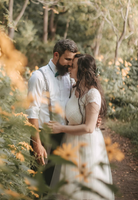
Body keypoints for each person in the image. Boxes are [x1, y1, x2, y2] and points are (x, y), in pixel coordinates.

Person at [26, 39, 101, 187]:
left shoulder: (70, 78)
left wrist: (92, 118)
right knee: (37, 184)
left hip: (65, 137)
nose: (70, 64)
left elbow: (81, 101)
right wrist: (37, 144)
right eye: (67, 59)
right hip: (43, 137)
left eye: (72, 61)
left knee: (57, 183)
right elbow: (32, 113)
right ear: (56, 55)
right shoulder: (38, 77)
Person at [47, 54, 114, 200]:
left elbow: (89, 128)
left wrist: (61, 128)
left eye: (73, 66)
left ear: (82, 70)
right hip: (70, 143)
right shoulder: (73, 89)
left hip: (87, 146)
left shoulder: (93, 94)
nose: (69, 68)